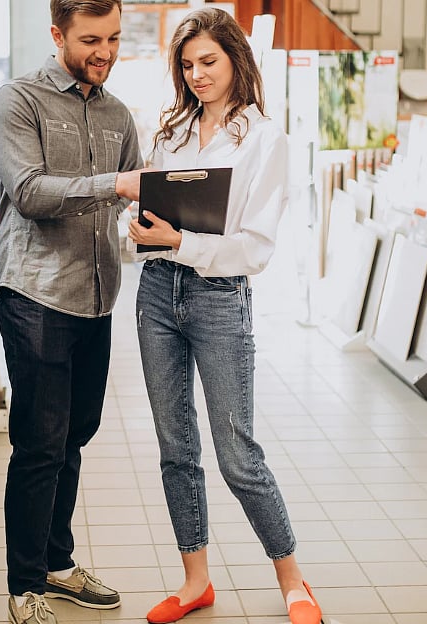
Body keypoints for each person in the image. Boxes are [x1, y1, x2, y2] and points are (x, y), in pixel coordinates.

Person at [127, 9, 323, 624]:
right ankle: (195, 581)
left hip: (218, 299)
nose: (197, 75)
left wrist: (182, 241)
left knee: (237, 450)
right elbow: (149, 208)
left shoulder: (267, 142)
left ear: (237, 59)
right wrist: (139, 227)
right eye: (187, 65)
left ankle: (293, 581)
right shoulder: (171, 132)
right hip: (157, 291)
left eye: (208, 61)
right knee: (175, 445)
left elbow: (254, 250)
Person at [0, 2, 144, 624]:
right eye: (91, 40)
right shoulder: (16, 102)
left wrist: (165, 214)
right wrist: (116, 185)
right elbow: (29, 193)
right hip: (36, 296)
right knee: (40, 444)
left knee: (75, 435)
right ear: (58, 35)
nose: (105, 51)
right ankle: (24, 584)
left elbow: (131, 201)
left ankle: (55, 563)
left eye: (113, 39)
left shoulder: (116, 113)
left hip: (95, 298)